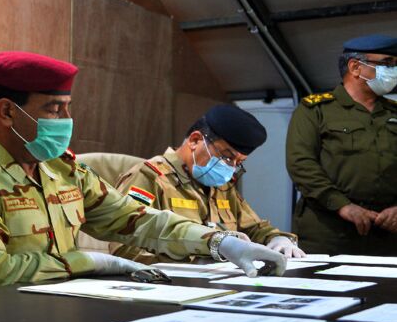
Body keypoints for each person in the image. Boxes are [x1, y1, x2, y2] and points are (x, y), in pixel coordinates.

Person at [0, 51, 286, 289]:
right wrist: (91, 262)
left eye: (67, 107)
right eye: (53, 109)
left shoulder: (61, 170)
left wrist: (220, 243)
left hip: (64, 312)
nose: (66, 120)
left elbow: (138, 219)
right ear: (7, 112)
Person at [112, 104, 303, 263]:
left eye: (239, 163)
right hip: (171, 287)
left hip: (221, 283)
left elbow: (253, 228)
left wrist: (278, 240)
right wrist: (198, 261)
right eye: (227, 157)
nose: (230, 168)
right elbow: (124, 247)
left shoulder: (221, 186)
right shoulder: (149, 177)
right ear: (195, 140)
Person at [286, 34, 397, 255]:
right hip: (329, 232)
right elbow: (301, 164)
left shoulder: (393, 112)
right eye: (386, 63)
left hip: (388, 234)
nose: (393, 71)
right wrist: (342, 205)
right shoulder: (316, 110)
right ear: (355, 67)